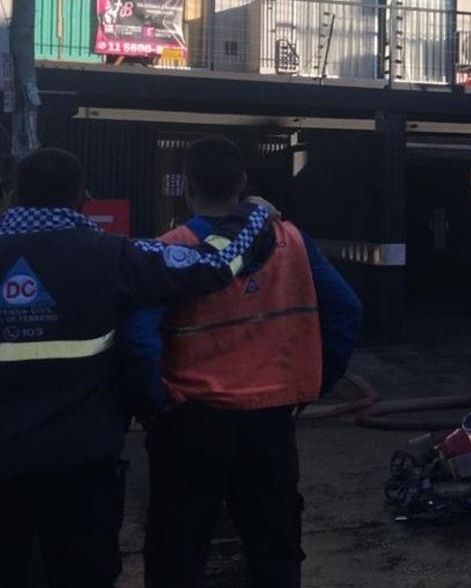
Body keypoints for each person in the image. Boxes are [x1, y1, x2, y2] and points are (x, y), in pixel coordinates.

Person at [0, 147, 275, 588]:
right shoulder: (115, 257)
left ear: (14, 197)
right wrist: (254, 214)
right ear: (82, 197)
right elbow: (214, 264)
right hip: (80, 468)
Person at [124, 136, 363, 588]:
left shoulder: (172, 249)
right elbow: (347, 310)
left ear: (187, 187)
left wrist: (153, 403)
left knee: (177, 548)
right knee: (274, 545)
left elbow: (139, 339)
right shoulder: (291, 240)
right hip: (270, 421)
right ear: (243, 183)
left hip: (190, 422)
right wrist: (312, 383)